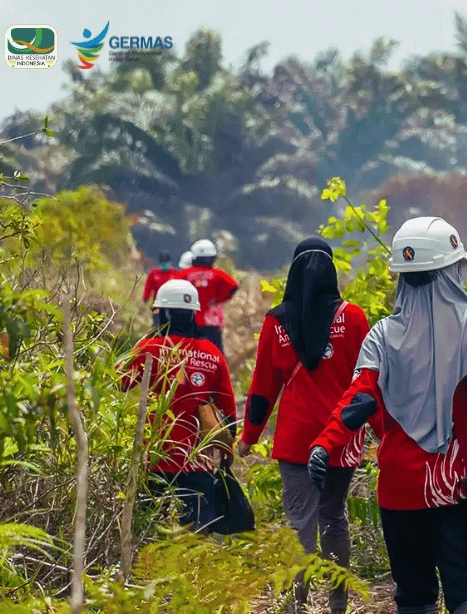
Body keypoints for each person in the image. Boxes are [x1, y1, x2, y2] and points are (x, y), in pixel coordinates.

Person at [308, 217, 467, 614]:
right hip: (464, 482)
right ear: (453, 268)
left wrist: (324, 446)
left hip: (402, 488)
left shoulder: (382, 334)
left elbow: (358, 399)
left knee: (414, 596)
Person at [237, 238, 369, 614]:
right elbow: (368, 379)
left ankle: (294, 604)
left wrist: (248, 437)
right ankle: (338, 601)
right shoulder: (353, 317)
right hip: (340, 438)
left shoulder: (277, 322)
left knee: (300, 523)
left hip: (295, 442)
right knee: (333, 515)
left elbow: (263, 388)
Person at [120, 279, 237, 532]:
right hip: (199, 460)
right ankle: (195, 571)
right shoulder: (212, 353)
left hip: (155, 457)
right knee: (196, 532)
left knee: (150, 529)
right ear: (194, 313)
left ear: (163, 313)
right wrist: (227, 449)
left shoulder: (149, 348)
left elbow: (119, 382)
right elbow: (228, 408)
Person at [179, 239, 239, 354]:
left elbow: (173, 285)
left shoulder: (185, 274)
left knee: (188, 353)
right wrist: (219, 299)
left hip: (190, 321)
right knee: (216, 354)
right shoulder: (218, 274)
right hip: (212, 323)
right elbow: (233, 286)